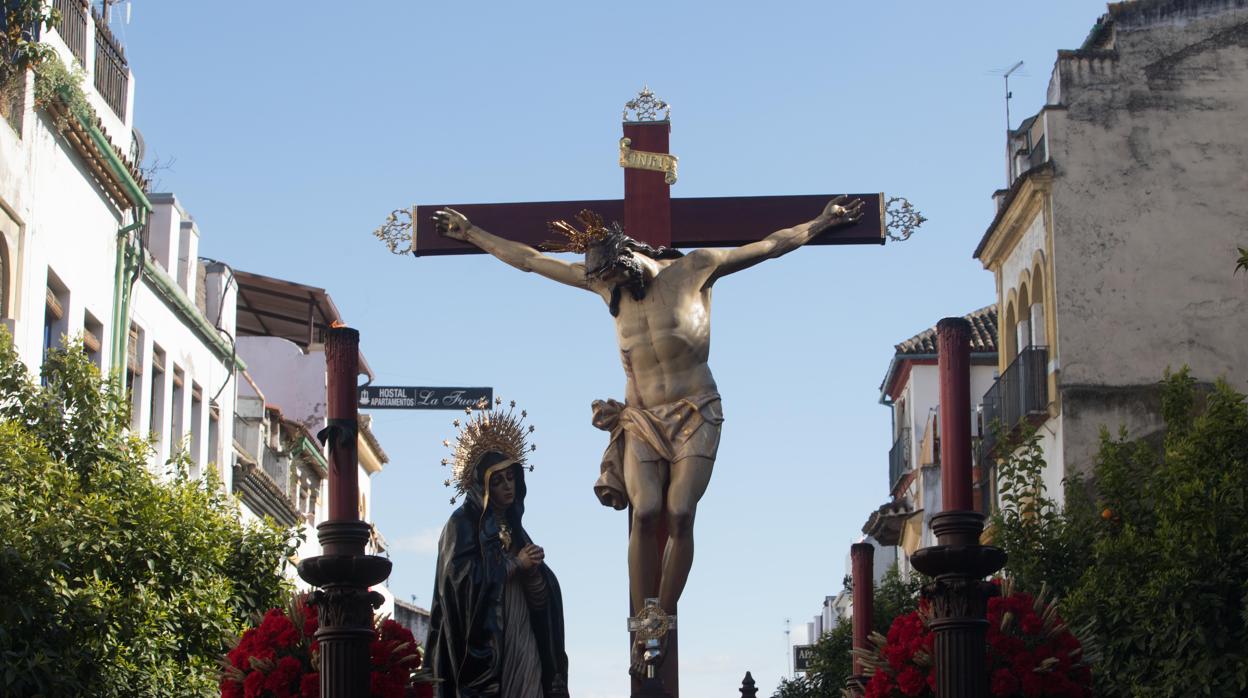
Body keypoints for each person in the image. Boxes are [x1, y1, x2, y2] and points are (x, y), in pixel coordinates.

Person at [432, 197, 863, 668]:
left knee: (679, 513)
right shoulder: (605, 287)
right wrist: (472, 233)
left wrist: (822, 222)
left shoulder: (697, 268)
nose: (605, 292)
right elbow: (532, 262)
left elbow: (769, 246)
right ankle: (644, 623)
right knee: (646, 512)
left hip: (695, 409)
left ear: (630, 266)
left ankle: (662, 617)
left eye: (612, 282)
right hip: (641, 416)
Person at [427, 401, 569, 697]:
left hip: (520, 630)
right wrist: (514, 565)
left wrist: (536, 576)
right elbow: (459, 582)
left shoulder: (518, 530)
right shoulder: (462, 524)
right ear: (482, 484)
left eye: (511, 478)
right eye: (499, 480)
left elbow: (544, 604)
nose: (508, 486)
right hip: (488, 639)